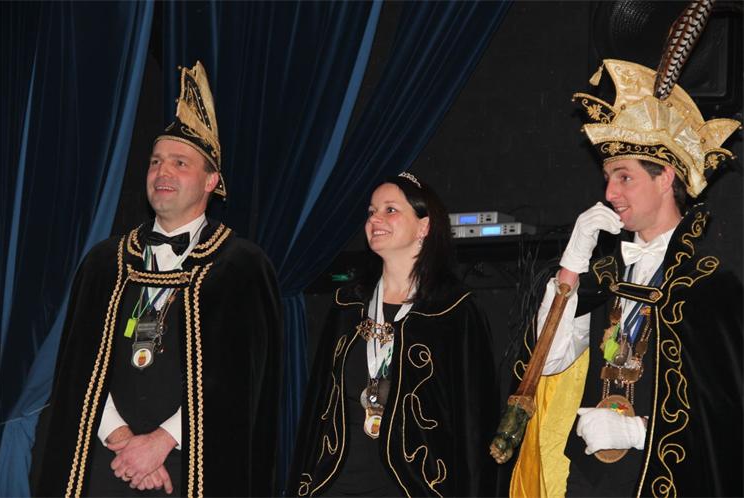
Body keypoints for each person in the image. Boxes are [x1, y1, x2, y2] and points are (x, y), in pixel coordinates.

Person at [30, 61, 283, 497]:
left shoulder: (242, 267)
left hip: (192, 465)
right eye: (155, 162)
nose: (163, 172)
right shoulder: (104, 262)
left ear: (211, 181)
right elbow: (76, 369)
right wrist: (123, 440)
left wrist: (161, 443)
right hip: (105, 460)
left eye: (180, 163)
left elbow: (242, 383)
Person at [511, 59, 742, 497]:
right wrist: (572, 263)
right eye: (607, 179)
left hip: (668, 479)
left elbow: (727, 411)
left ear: (665, 178)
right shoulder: (605, 276)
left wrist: (640, 433)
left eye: (624, 178)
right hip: (592, 480)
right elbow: (548, 361)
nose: (610, 193)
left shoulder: (710, 282)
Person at [286, 173, 500, 497]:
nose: (375, 219)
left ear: (424, 226)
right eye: (371, 211)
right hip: (335, 485)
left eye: (390, 210)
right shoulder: (348, 306)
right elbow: (316, 410)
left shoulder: (454, 311)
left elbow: (475, 424)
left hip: (413, 488)